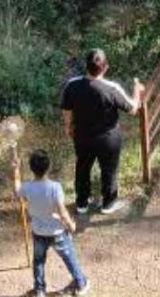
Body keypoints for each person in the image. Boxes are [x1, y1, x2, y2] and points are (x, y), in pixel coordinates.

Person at [61, 49, 144, 215]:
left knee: (83, 167)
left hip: (82, 137)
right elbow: (133, 109)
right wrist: (137, 90)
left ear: (87, 66)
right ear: (105, 67)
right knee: (109, 169)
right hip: (108, 139)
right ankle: (108, 203)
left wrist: (68, 128)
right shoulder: (111, 88)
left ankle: (82, 203)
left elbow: (67, 110)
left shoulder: (72, 84)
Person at [11, 147, 88, 297]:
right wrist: (71, 225)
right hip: (57, 232)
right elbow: (61, 211)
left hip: (38, 232)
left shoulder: (28, 187)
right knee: (69, 257)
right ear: (48, 166)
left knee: (38, 261)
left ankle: (39, 291)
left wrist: (16, 170)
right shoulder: (55, 187)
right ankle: (80, 284)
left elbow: (16, 190)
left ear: (32, 169)